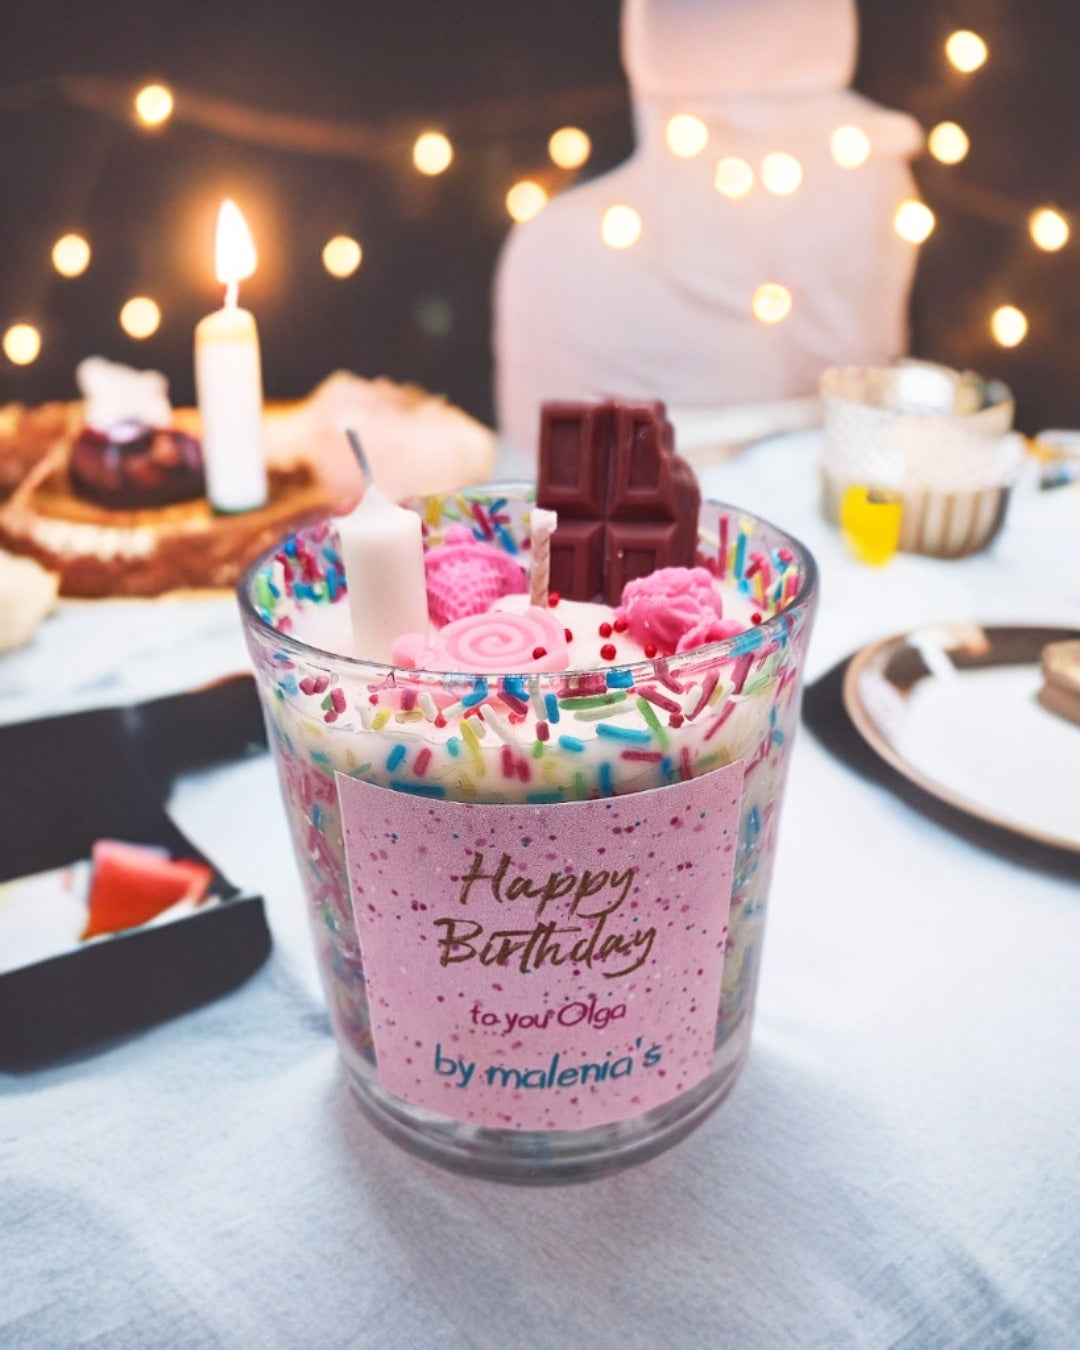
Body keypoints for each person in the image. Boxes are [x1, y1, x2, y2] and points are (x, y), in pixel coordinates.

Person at [494, 0, 922, 459]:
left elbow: (529, 490)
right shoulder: (885, 184)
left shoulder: (558, 250)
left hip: (652, 522)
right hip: (856, 503)